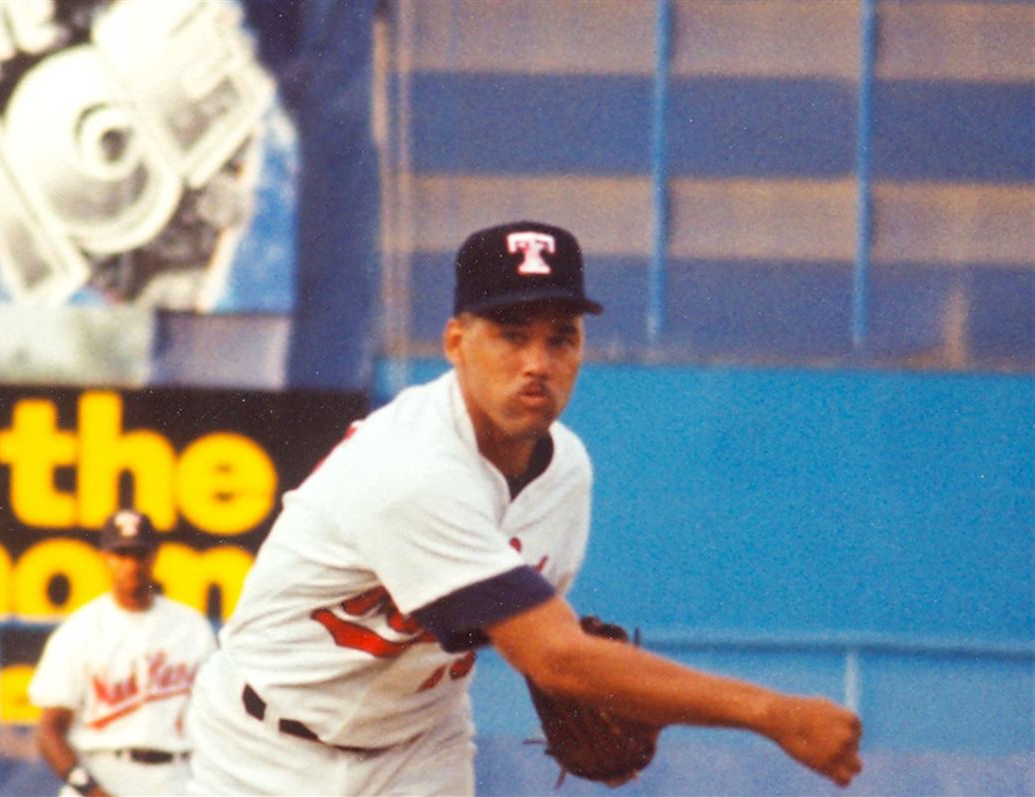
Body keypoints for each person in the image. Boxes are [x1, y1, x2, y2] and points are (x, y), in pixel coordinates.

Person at [184, 220, 864, 796]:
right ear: (456, 342)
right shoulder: (412, 467)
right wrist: (772, 711)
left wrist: (598, 684)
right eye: (511, 333)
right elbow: (558, 658)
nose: (537, 361)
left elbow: (543, 645)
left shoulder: (567, 471)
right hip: (261, 748)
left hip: (417, 745)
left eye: (560, 337)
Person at [28, 509, 218, 797]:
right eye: (121, 554)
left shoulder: (192, 627)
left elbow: (217, 718)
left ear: (154, 556)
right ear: (105, 558)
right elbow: (49, 731)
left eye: (139, 554)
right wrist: (89, 789)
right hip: (101, 772)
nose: (131, 565)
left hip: (175, 777)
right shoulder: (80, 629)